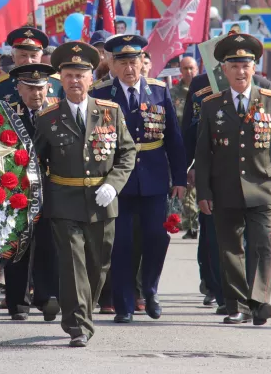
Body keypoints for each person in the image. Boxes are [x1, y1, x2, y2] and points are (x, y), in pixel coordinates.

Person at [34, 41, 135, 347]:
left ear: (92, 78)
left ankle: (81, 310)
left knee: (98, 264)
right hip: (63, 201)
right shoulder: (48, 117)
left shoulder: (110, 112)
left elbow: (127, 153)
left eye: (81, 74)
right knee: (72, 263)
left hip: (103, 202)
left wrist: (112, 184)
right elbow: (36, 161)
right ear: (60, 79)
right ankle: (78, 325)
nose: (75, 80)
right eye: (68, 74)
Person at [194, 32, 271, 326]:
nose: (240, 71)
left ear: (254, 69)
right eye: (234, 66)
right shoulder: (212, 105)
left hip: (263, 188)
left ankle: (259, 300)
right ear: (223, 70)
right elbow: (203, 154)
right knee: (230, 249)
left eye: (245, 65)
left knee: (261, 246)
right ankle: (238, 304)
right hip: (224, 189)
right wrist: (204, 192)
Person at [91, 34, 186, 324]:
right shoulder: (101, 94)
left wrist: (179, 178)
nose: (130, 68)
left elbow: (173, 138)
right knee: (120, 244)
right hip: (116, 182)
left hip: (154, 178)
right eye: (123, 63)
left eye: (135, 62)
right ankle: (124, 305)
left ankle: (150, 289)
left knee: (156, 238)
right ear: (112, 64)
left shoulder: (158, 91)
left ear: (143, 63)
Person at [3, 62, 61, 321]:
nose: (36, 93)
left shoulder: (57, 112)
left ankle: (46, 296)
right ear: (19, 88)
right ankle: (17, 302)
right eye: (30, 88)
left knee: (49, 244)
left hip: (50, 186)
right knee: (18, 245)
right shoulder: (8, 113)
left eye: (40, 87)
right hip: (17, 187)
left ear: (48, 87)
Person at [0, 27, 62, 103]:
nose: (29, 61)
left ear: (41, 57)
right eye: (23, 55)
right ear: (13, 57)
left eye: (33, 56)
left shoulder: (58, 84)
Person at [172, 56, 199, 238]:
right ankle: (191, 223)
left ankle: (194, 222)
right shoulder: (174, 93)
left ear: (197, 69)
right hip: (180, 146)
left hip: (199, 144)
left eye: (191, 68)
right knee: (186, 185)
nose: (188, 72)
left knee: (195, 185)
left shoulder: (204, 90)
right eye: (185, 69)